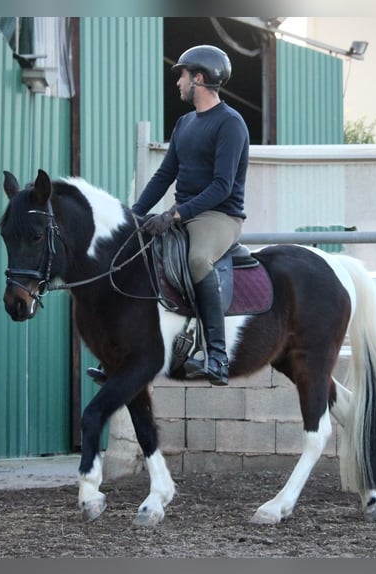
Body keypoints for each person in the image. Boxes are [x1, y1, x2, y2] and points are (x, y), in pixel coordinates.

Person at [132, 44, 250, 386]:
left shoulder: (231, 124)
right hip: (184, 213)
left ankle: (216, 356)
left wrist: (175, 214)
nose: (178, 82)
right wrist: (134, 215)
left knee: (198, 259)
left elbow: (222, 186)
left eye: (182, 75)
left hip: (219, 217)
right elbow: (163, 176)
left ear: (199, 77)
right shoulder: (184, 123)